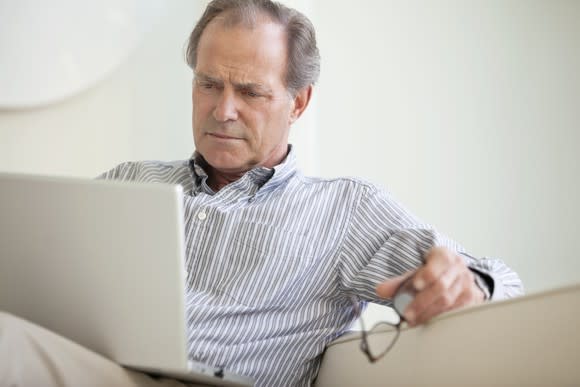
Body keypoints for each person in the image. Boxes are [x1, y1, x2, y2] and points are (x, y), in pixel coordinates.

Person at [0, 0, 524, 386]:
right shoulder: (131, 182)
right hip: (88, 366)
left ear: (298, 103)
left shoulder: (342, 211)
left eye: (250, 92)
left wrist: (467, 285)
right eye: (209, 84)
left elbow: (501, 280)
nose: (223, 110)